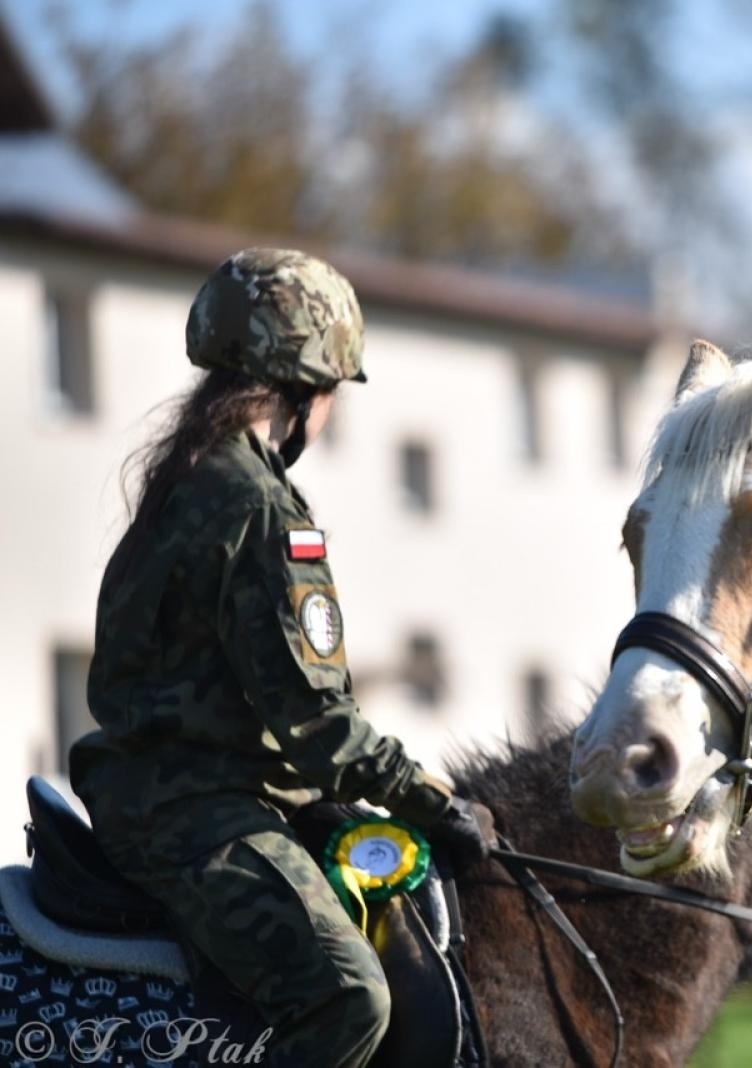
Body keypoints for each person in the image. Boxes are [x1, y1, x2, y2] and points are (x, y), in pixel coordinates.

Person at [69, 248, 496, 1068]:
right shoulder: (261, 511)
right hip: (197, 815)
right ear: (307, 389)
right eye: (336, 395)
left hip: (159, 795)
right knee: (346, 996)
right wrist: (432, 805)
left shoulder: (179, 482)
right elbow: (317, 723)